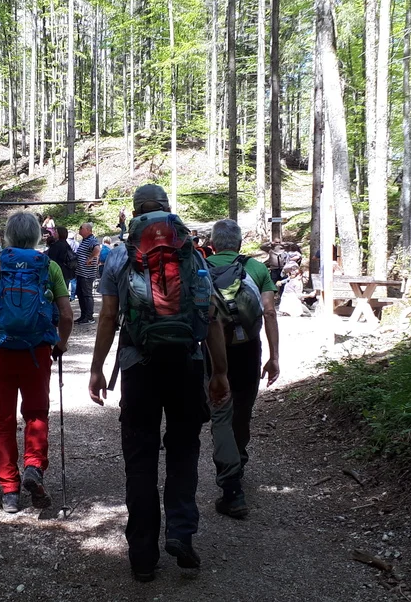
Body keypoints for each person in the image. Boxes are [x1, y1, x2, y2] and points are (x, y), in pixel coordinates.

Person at [89, 184, 230, 583]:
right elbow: (213, 317)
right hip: (187, 365)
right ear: (168, 209)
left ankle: (142, 554)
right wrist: (219, 373)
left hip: (139, 367)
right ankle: (182, 533)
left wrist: (97, 368)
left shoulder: (120, 255)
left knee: (140, 458)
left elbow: (107, 318)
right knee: (184, 452)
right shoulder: (191, 253)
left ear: (134, 212)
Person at [0, 212, 74, 513]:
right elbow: (66, 314)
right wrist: (61, 343)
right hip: (38, 350)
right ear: (37, 237)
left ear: (9, 236)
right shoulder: (48, 266)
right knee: (36, 412)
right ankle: (34, 466)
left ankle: (9, 490)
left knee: (3, 419)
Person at [204, 219, 281, 518]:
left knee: (221, 411)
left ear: (213, 243)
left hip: (213, 349)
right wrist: (274, 357)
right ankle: (239, 458)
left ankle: (231, 488)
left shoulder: (201, 268)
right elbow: (269, 311)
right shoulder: (257, 269)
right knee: (242, 410)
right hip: (249, 348)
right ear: (238, 244)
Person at [74, 223, 101, 324]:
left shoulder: (92, 240)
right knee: (81, 294)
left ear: (87, 230)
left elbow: (97, 249)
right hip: (81, 273)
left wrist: (90, 258)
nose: (79, 229)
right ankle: (83, 315)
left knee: (87, 295)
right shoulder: (85, 240)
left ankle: (89, 317)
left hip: (87, 274)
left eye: (81, 228)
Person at [46, 226, 78, 299]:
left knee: (56, 296)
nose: (54, 233)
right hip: (67, 272)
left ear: (60, 233)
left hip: (58, 273)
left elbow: (51, 261)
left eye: (56, 232)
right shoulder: (66, 244)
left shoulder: (56, 246)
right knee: (63, 294)